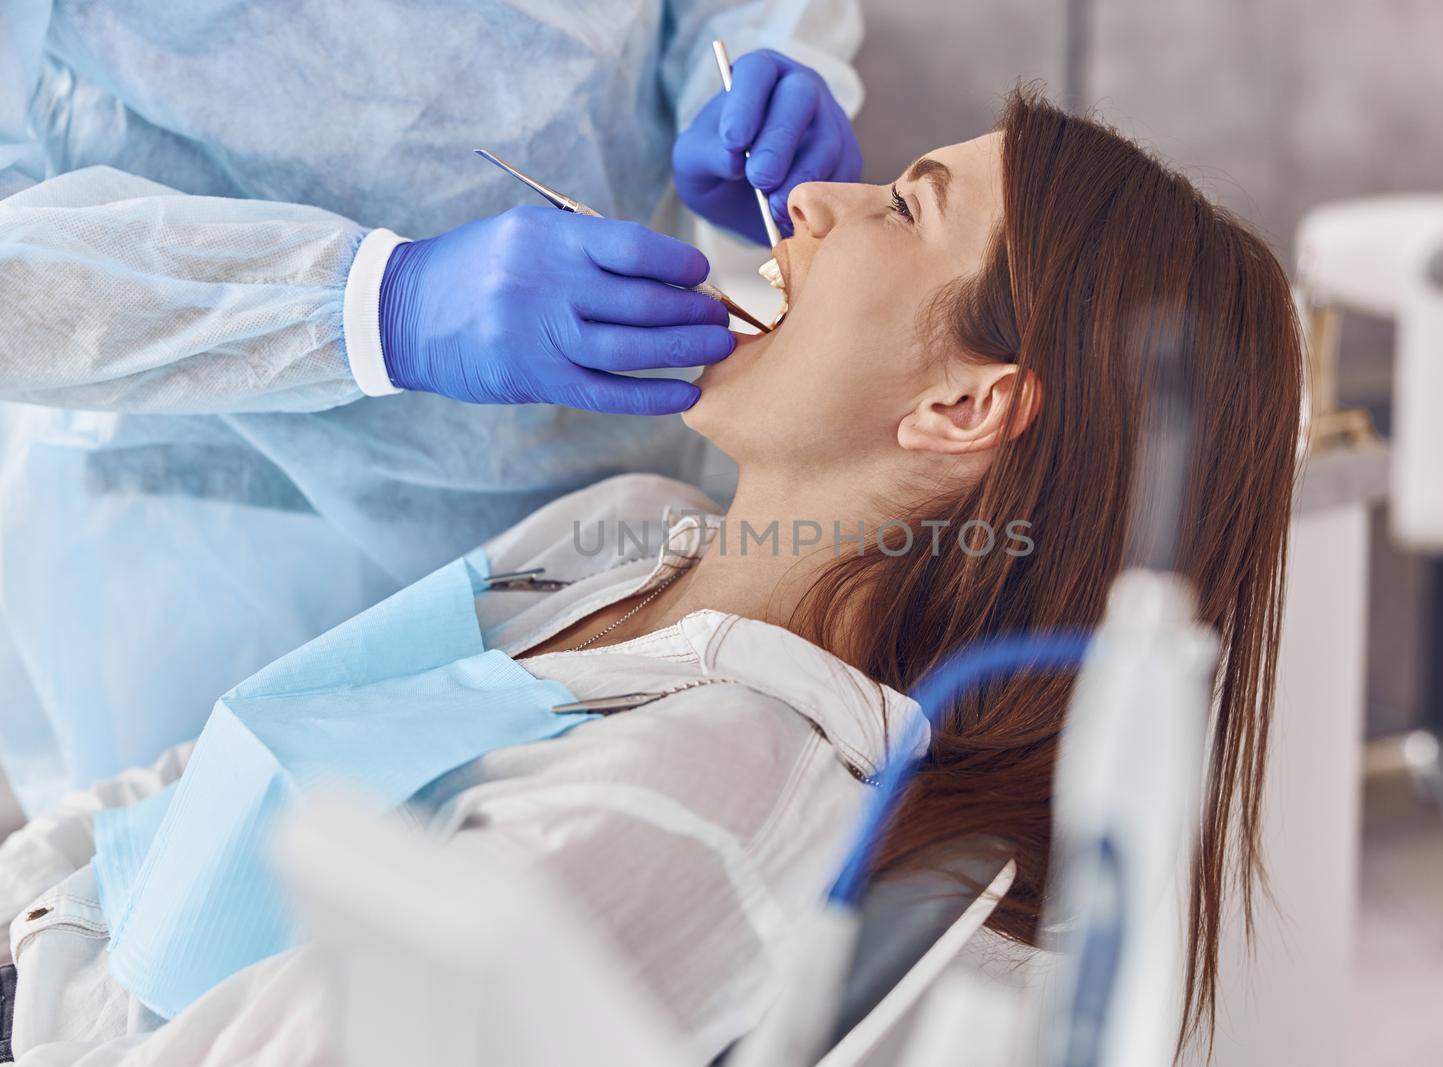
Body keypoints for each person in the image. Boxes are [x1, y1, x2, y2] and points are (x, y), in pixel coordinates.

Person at [0, 90, 1305, 1064]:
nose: (811, 201)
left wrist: (36, 934)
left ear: (965, 403)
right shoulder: (633, 531)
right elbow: (194, 777)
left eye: (907, 207)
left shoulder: (712, 787)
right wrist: (36, 887)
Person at [0, 0, 869, 819]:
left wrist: (747, 70)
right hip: (226, 536)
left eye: (906, 210)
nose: (840, 214)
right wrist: (373, 307)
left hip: (603, 483)